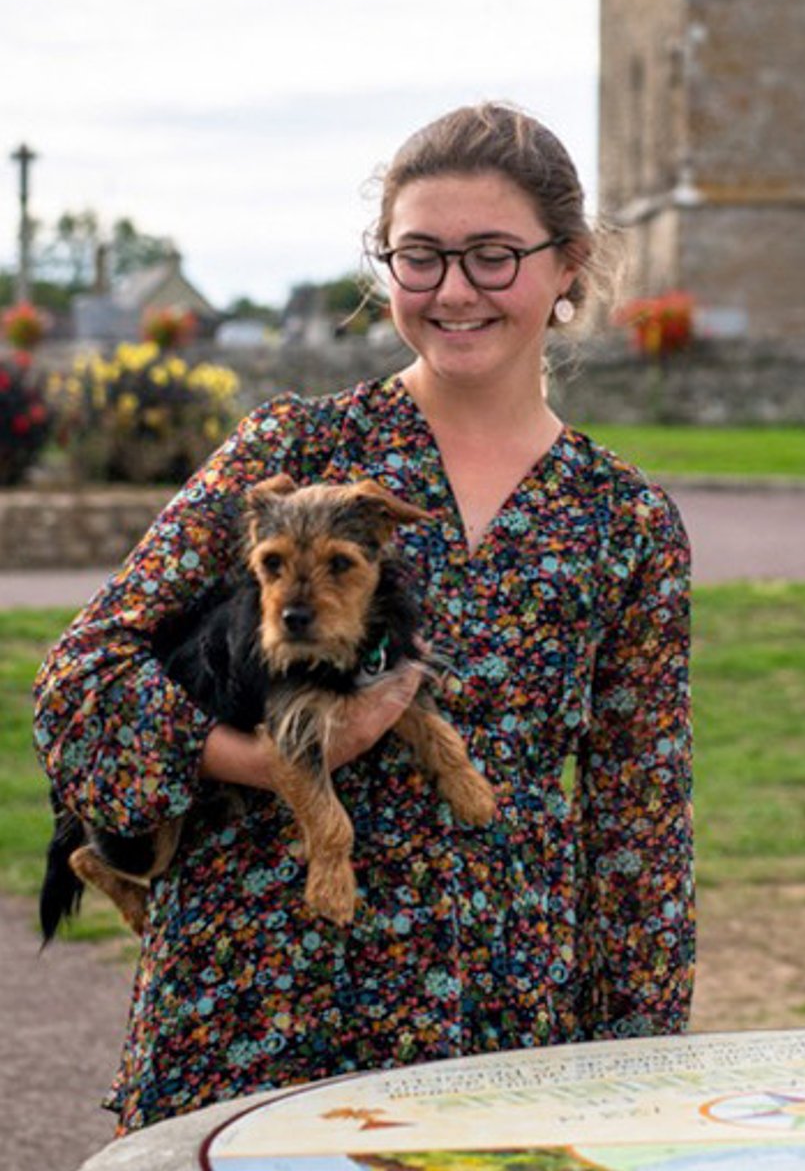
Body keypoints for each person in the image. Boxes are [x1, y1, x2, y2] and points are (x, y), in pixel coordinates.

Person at [32, 102, 694, 1134]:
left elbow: (639, 823)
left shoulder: (624, 519)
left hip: (500, 1008)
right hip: (256, 986)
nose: (453, 291)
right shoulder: (290, 452)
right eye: (419, 257)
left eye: (492, 256)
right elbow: (80, 684)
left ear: (567, 265)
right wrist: (261, 760)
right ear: (383, 265)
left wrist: (642, 1069)